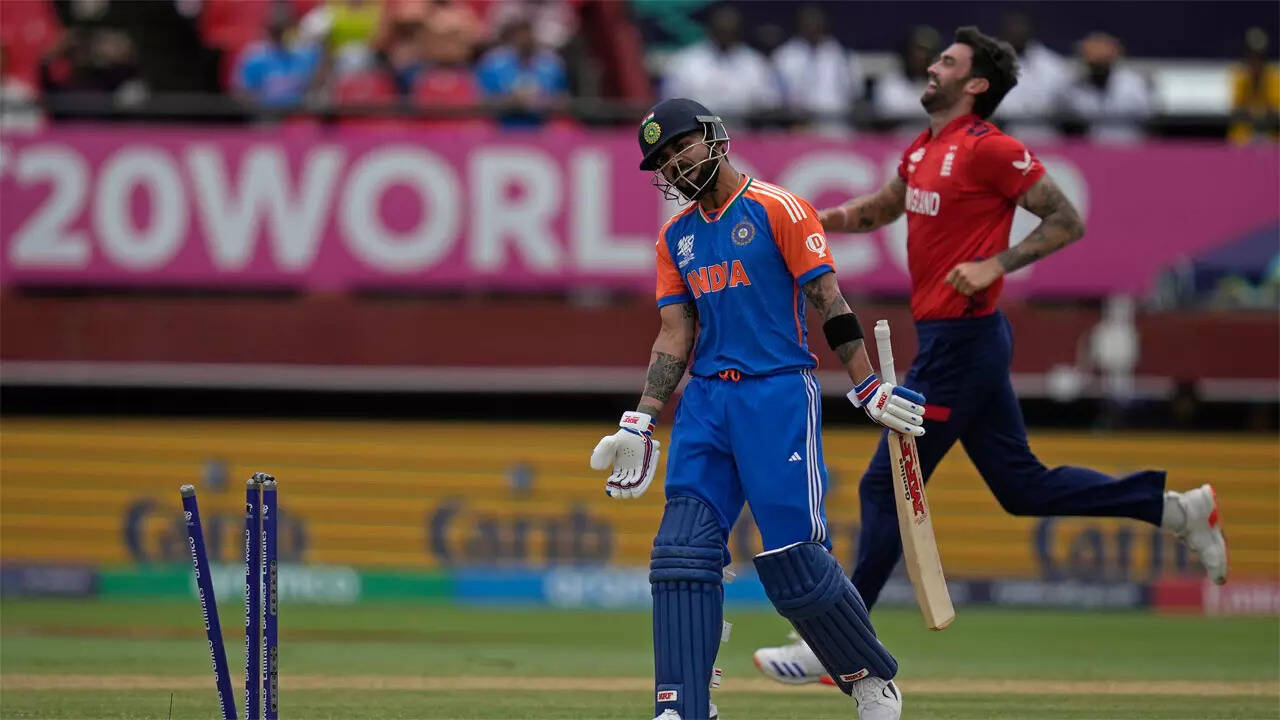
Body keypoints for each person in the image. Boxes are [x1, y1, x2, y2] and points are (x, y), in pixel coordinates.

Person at [754, 25, 1228, 685]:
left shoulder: (991, 148)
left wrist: (994, 264)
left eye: (948, 62)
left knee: (884, 485)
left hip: (963, 341)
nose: (932, 67)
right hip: (956, 342)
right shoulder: (925, 146)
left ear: (975, 84)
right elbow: (883, 208)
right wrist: (812, 220)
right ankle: (1177, 509)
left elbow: (1066, 219)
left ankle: (838, 642)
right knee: (1022, 487)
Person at [589, 98, 930, 720]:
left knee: (793, 560)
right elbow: (674, 332)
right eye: (662, 159)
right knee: (681, 554)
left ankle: (869, 677)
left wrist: (867, 387)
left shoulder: (780, 208)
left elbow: (829, 300)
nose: (674, 163)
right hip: (705, 402)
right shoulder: (675, 237)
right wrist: (639, 419)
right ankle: (683, 705)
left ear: (715, 137)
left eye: (681, 146)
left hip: (776, 393)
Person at [661, 6, 779, 122]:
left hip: (745, 127)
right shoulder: (686, 61)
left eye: (730, 31)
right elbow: (672, 103)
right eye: (721, 30)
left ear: (738, 31)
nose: (725, 34)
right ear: (710, 29)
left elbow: (769, 103)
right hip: (696, 127)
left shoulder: (754, 63)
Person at [771, 4, 859, 131]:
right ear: (800, 25)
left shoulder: (841, 55)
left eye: (816, 23)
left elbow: (854, 92)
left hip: (835, 124)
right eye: (808, 23)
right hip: (797, 125)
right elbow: (774, 97)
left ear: (823, 25)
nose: (812, 27)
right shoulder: (784, 56)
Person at [1058, 32, 1154, 143]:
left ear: (1114, 57)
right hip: (1090, 148)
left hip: (1130, 145)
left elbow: (1151, 122)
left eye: (1103, 61)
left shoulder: (1135, 84)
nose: (1099, 65)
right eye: (1094, 62)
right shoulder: (1074, 89)